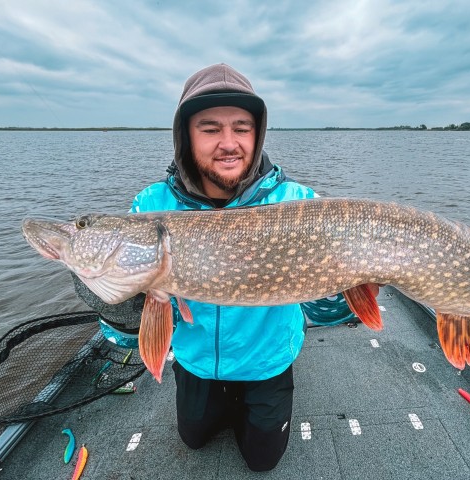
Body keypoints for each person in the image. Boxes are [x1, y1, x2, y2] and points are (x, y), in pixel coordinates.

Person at [73, 63, 359, 471]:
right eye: (210, 129)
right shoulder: (151, 207)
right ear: (185, 137)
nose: (229, 143)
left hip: (268, 362)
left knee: (262, 461)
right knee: (193, 439)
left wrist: (350, 288)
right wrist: (113, 298)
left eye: (241, 128)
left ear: (257, 135)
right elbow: (125, 334)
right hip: (197, 362)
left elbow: (327, 313)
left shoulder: (300, 203)